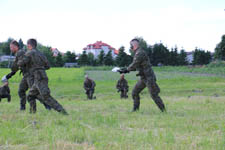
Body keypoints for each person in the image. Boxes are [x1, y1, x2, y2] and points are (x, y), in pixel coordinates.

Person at [17, 39, 68, 114]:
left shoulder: (29, 53)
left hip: (39, 78)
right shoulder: (41, 54)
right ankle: (32, 113)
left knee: (46, 96)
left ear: (29, 45)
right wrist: (40, 68)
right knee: (30, 95)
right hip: (41, 77)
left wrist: (20, 60)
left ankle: (62, 111)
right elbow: (48, 66)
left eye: (27, 45)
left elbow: (20, 63)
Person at [119, 38, 166, 112]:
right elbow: (137, 66)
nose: (130, 47)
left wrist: (126, 69)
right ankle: (135, 110)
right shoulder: (137, 53)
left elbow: (135, 64)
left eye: (131, 45)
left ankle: (163, 110)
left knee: (154, 95)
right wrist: (126, 70)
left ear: (134, 45)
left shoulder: (140, 53)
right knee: (135, 92)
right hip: (143, 78)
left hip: (149, 77)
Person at [3, 40, 51, 110]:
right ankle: (22, 107)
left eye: (11, 47)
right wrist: (9, 75)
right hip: (26, 75)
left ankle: (46, 105)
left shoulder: (20, 53)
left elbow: (16, 67)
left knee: (34, 93)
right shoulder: (19, 53)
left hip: (30, 75)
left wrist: (8, 76)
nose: (10, 49)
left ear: (15, 47)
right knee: (21, 90)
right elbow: (17, 67)